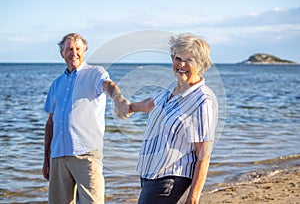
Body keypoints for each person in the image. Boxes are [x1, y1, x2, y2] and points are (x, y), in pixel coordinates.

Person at [129, 33, 218, 204]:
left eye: (189, 60)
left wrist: (193, 198)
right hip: (150, 176)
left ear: (201, 64)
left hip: (171, 181)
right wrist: (130, 107)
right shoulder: (172, 88)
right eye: (178, 58)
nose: (181, 64)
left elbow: (204, 154)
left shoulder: (202, 101)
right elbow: (151, 104)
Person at [42, 33, 130, 204]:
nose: (73, 53)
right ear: (62, 53)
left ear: (84, 51)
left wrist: (119, 99)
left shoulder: (95, 73)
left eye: (77, 49)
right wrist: (46, 159)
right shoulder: (57, 84)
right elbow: (50, 123)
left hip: (86, 154)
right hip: (58, 155)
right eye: (69, 49)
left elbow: (108, 86)